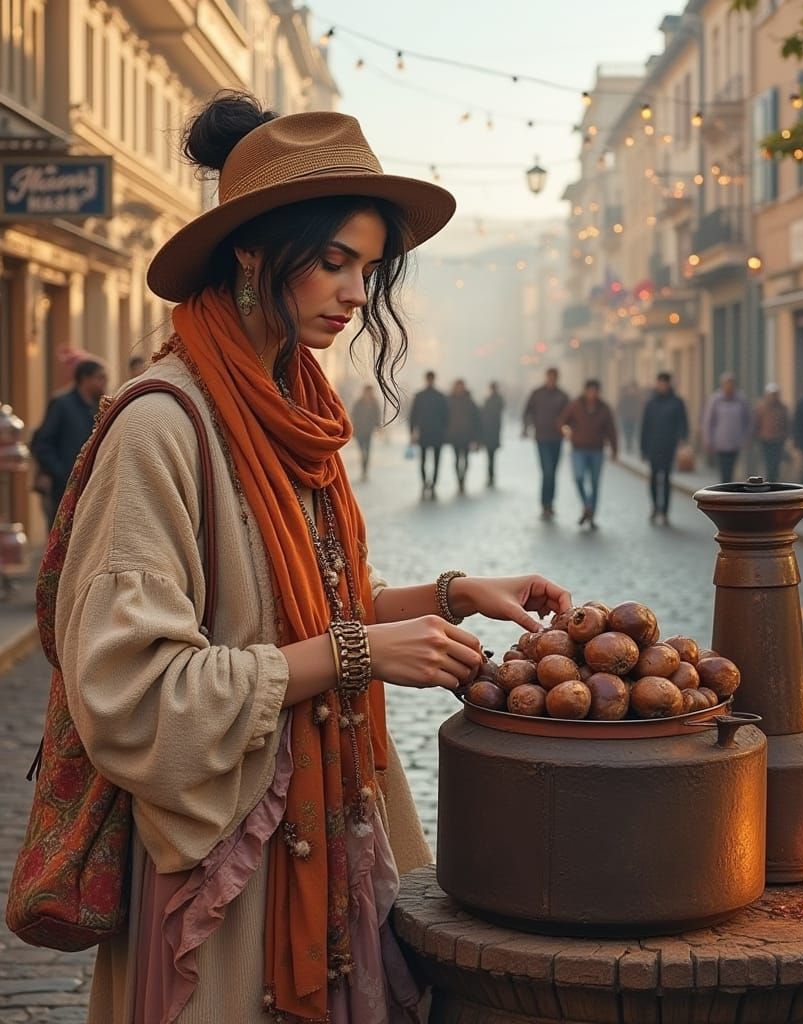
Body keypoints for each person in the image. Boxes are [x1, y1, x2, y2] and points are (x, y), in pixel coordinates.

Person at [46, 93, 572, 1024]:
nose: (354, 294)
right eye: (332, 263)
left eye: (367, 268)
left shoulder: (291, 418)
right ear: (252, 250)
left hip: (329, 826)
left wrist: (450, 597)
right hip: (225, 872)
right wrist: (359, 655)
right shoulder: (164, 427)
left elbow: (315, 604)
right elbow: (133, 694)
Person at [30, 358, 108, 525]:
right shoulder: (62, 404)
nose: (104, 383)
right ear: (85, 379)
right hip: (63, 491)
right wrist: (61, 473)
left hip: (91, 489)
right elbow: (42, 444)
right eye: (100, 378)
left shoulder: (100, 407)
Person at [558, 379, 618, 529]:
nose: (592, 394)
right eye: (590, 391)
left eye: (595, 391)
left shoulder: (604, 408)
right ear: (585, 391)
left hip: (597, 450)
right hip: (579, 449)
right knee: (578, 477)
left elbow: (611, 429)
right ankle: (587, 505)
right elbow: (561, 422)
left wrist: (615, 449)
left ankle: (591, 514)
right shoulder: (576, 405)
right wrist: (568, 433)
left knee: (595, 483)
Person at [640, 372, 689, 525]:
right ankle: (655, 506)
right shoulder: (651, 403)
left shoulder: (677, 402)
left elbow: (683, 423)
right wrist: (643, 449)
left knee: (667, 478)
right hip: (653, 447)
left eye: (664, 383)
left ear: (668, 384)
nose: (662, 386)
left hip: (669, 447)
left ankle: (665, 511)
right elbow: (645, 427)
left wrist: (682, 438)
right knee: (654, 478)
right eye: (660, 383)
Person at [522, 367, 569, 520]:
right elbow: (528, 411)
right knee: (547, 471)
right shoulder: (537, 394)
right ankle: (544, 503)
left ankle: (550, 502)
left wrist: (567, 429)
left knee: (553, 472)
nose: (551, 380)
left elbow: (570, 414)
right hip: (542, 438)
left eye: (554, 378)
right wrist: (526, 426)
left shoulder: (562, 396)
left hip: (557, 438)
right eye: (549, 377)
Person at [701, 372, 751, 483]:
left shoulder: (741, 399)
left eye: (731, 384)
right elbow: (708, 421)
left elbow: (747, 420)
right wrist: (708, 440)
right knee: (724, 470)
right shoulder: (715, 399)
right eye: (726, 384)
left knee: (732, 468)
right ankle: (724, 489)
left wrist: (747, 438)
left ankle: (729, 489)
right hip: (720, 442)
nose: (729, 387)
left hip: (735, 441)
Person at [409, 369, 448, 499]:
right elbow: (413, 416)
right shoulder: (439, 396)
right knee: (430, 461)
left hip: (428, 434)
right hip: (433, 434)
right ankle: (429, 484)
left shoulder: (420, 396)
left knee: (427, 461)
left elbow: (413, 417)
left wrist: (412, 432)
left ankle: (428, 484)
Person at [446, 378, 481, 495]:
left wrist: (476, 438)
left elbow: (477, 419)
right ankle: (459, 480)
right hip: (455, 436)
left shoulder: (469, 401)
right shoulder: (449, 400)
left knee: (465, 459)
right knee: (456, 460)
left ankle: (463, 480)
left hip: (467, 436)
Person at [753, 383, 789, 482]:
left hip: (778, 439)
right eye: (771, 395)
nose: (773, 397)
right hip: (765, 440)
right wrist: (756, 436)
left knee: (776, 463)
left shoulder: (782, 408)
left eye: (775, 395)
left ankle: (774, 481)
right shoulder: (761, 407)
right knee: (768, 463)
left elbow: (786, 423)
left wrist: (785, 435)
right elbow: (756, 422)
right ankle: (769, 481)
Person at [351, 383, 381, 481]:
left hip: (368, 431)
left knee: (367, 451)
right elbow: (353, 416)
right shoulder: (358, 403)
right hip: (359, 431)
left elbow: (377, 415)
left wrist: (378, 426)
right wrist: (353, 429)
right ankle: (364, 467)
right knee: (362, 452)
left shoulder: (374, 403)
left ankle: (365, 471)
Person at [480, 381, 504, 487]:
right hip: (491, 432)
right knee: (491, 456)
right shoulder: (494, 400)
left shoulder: (493, 400)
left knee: (491, 456)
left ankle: (490, 476)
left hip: (491, 431)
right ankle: (490, 475)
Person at [617, 381, 644, 454]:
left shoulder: (639, 398)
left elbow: (641, 407)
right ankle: (628, 445)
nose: (632, 390)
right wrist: (620, 414)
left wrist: (639, 415)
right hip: (626, 418)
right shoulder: (624, 397)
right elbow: (620, 406)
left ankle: (632, 446)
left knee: (634, 433)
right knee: (627, 433)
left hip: (635, 418)